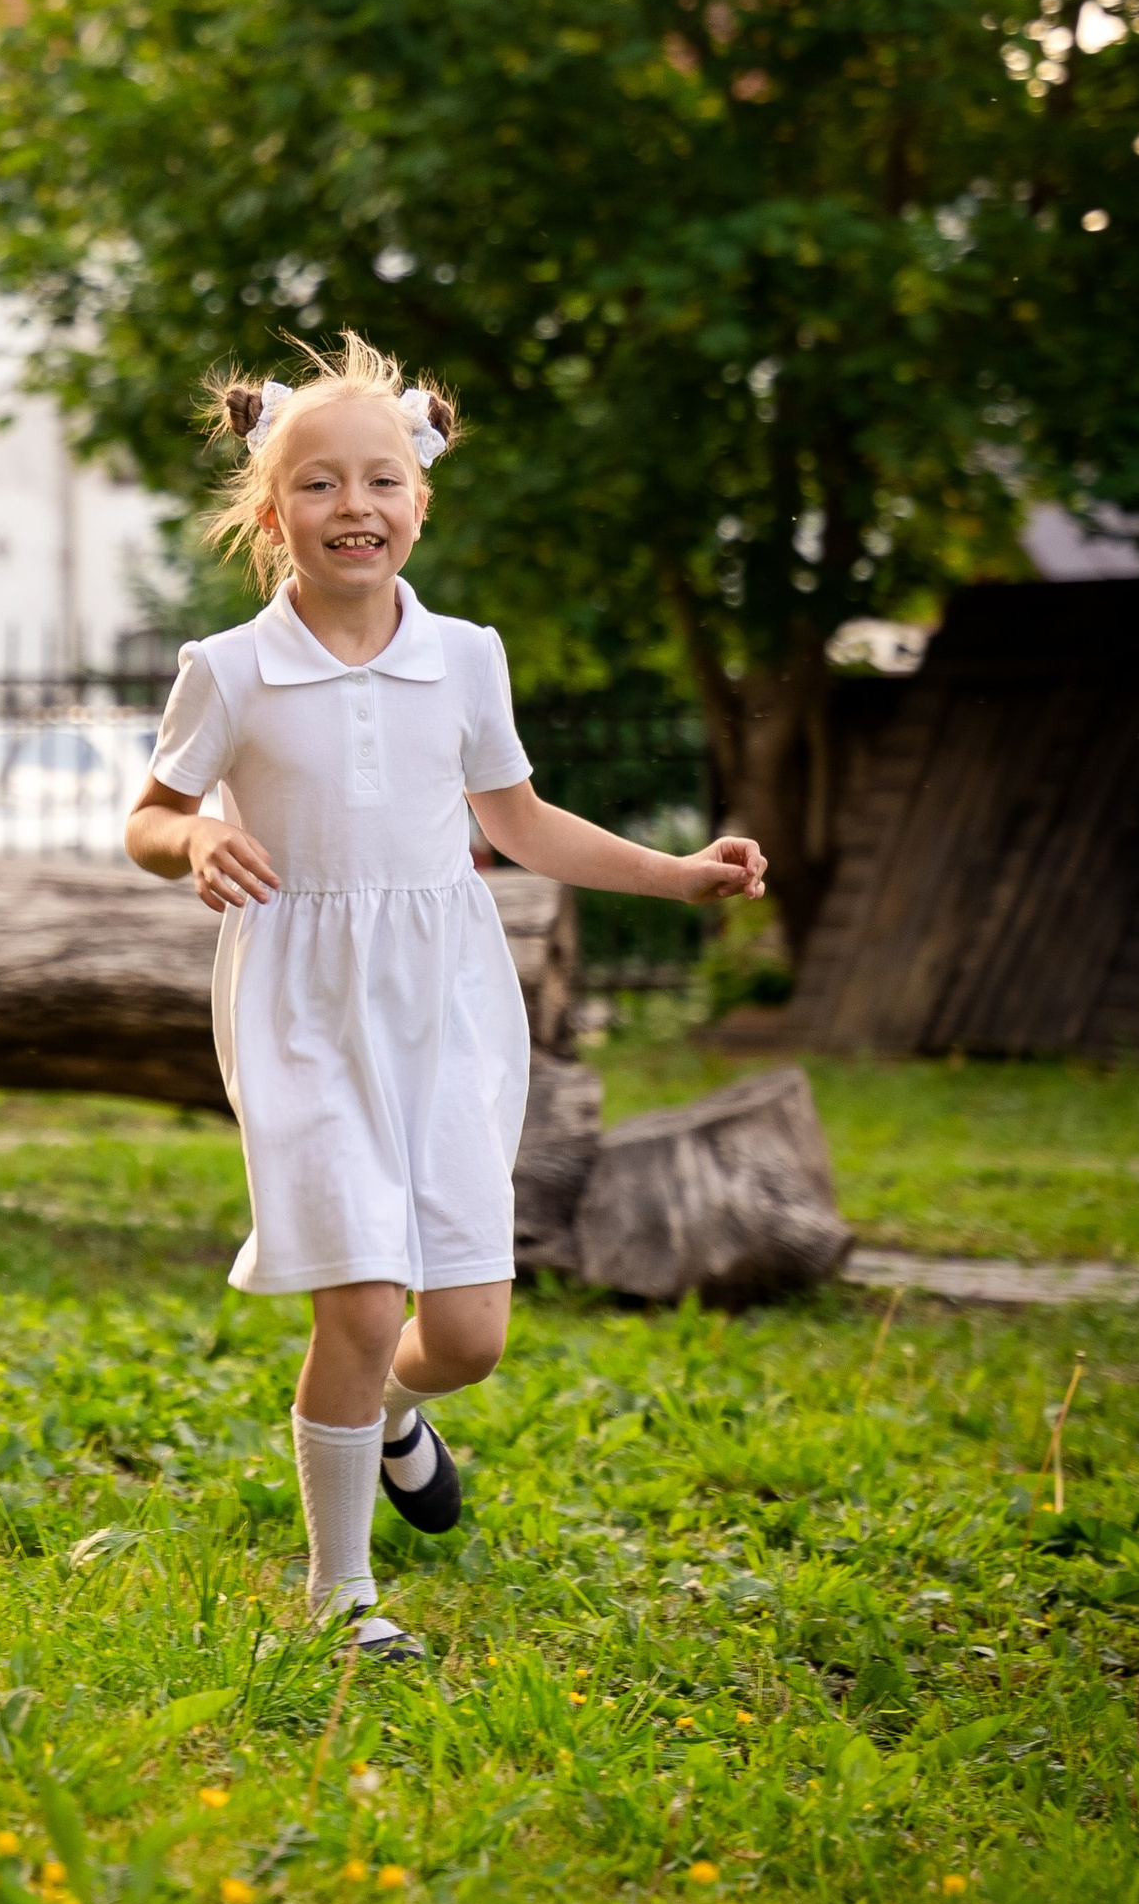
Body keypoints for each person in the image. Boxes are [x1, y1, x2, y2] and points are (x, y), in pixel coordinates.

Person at [124, 335, 765, 1661]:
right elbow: (149, 815)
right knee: (359, 1301)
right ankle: (338, 1601)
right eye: (317, 485)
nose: (352, 507)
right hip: (298, 998)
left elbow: (520, 823)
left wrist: (676, 874)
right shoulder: (231, 668)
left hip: (445, 1001)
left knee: (460, 1335)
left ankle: (400, 1413)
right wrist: (191, 843)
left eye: (379, 482)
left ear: (420, 496)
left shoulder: (467, 656)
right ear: (269, 506)